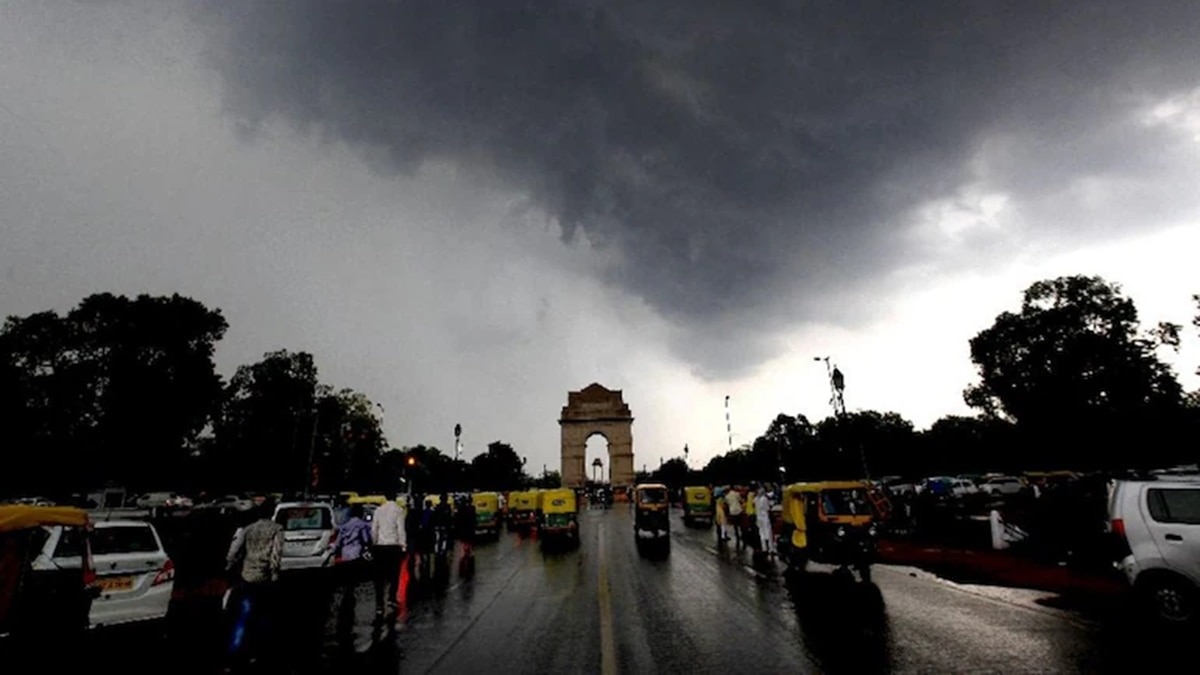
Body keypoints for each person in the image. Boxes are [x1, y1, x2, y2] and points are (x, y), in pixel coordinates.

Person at [225, 499, 284, 665]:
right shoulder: (277, 529)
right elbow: (276, 554)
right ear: (272, 513)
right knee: (264, 616)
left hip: (247, 575)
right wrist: (274, 574)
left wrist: (229, 566)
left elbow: (234, 551)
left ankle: (234, 650)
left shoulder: (249, 529)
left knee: (243, 615)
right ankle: (260, 652)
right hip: (264, 577)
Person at [370, 491, 406, 617]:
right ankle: (391, 598)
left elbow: (374, 529)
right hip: (393, 546)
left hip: (380, 547)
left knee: (379, 577)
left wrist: (373, 544)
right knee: (394, 575)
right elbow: (401, 529)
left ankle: (379, 604)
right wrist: (403, 545)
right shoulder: (399, 510)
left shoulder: (378, 510)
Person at [755, 486, 774, 557]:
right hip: (765, 517)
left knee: (761, 533)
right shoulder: (764, 499)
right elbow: (767, 508)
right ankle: (771, 549)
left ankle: (764, 548)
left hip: (759, 518)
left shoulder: (756, 499)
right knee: (768, 533)